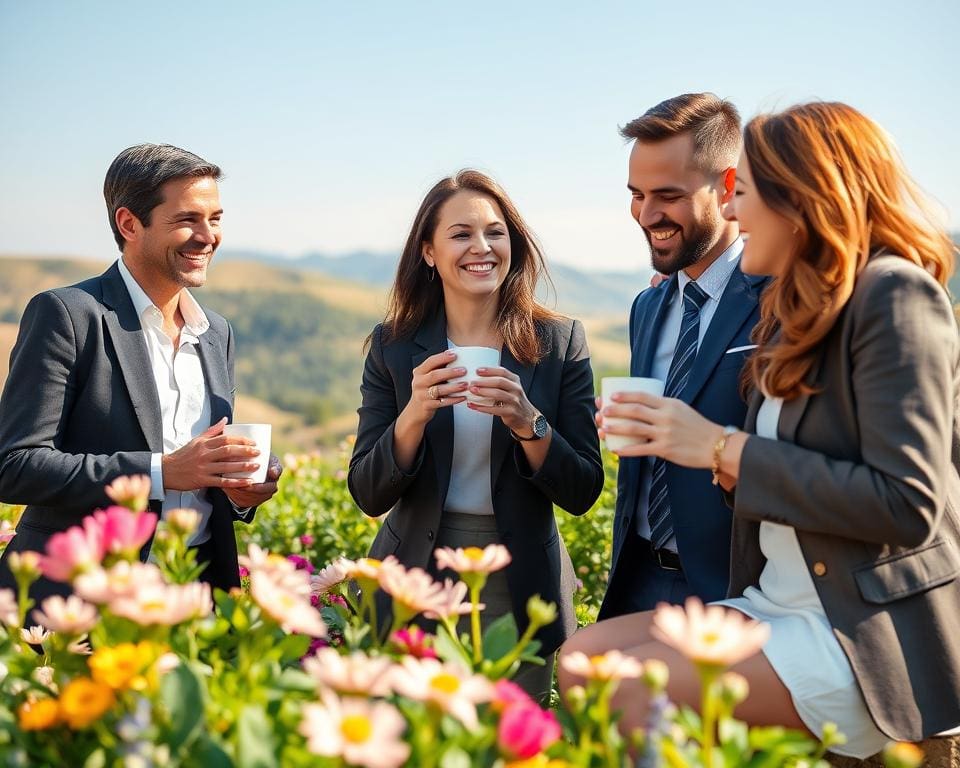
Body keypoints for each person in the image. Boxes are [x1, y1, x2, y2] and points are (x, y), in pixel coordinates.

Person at [561, 102, 960, 757]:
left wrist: (724, 448)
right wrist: (721, 466)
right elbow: (789, 466)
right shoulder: (796, 310)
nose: (737, 216)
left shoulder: (894, 295)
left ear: (798, 199)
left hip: (849, 621)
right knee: (581, 658)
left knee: (630, 690)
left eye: (742, 194)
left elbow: (909, 503)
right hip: (774, 601)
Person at [348, 169, 604, 699]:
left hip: (521, 583)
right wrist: (413, 415)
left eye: (495, 231)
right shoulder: (394, 347)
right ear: (428, 251)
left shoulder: (559, 343)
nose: (481, 247)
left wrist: (528, 423)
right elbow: (367, 493)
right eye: (461, 234)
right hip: (414, 576)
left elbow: (583, 491)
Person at [0, 143, 281, 602]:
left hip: (195, 600)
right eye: (187, 219)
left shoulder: (217, 333)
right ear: (129, 223)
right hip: (82, 599)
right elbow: (15, 466)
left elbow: (199, 484)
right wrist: (162, 471)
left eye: (215, 218)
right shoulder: (67, 315)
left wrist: (237, 493)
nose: (208, 235)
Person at [598, 93, 767, 619]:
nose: (647, 215)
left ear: (729, 187)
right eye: (636, 194)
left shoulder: (781, 300)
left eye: (667, 195)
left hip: (735, 589)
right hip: (638, 578)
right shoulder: (647, 306)